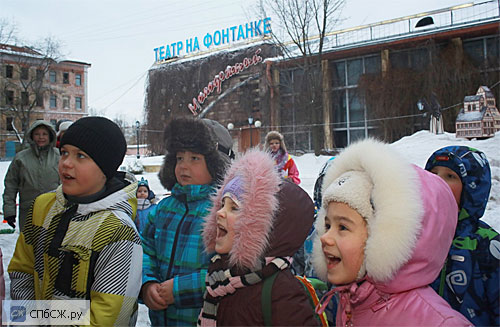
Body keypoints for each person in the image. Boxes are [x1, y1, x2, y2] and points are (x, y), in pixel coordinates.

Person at [313, 138, 472, 326]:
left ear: (386, 238)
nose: (325, 236)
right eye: (327, 224)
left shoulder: (440, 323)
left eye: (343, 227)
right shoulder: (352, 300)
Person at [8, 116, 142, 326]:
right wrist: (25, 320)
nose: (66, 163)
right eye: (64, 153)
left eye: (81, 156)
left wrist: (45, 319)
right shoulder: (42, 207)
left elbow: (108, 316)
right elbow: (21, 271)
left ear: (105, 168)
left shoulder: (117, 231)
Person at [198, 149, 318, 326]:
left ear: (263, 228)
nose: (220, 213)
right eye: (222, 204)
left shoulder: (281, 291)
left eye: (235, 208)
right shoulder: (220, 278)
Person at [141, 117, 234, 326]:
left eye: (194, 158)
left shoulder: (221, 211)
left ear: (215, 165)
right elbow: (145, 250)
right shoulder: (163, 209)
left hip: (201, 319)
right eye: (179, 158)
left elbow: (229, 269)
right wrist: (147, 284)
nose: (184, 166)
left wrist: (178, 289)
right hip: (161, 319)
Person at [425, 146, 499, 326]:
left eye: (450, 176)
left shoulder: (487, 245)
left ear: (472, 188)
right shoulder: (417, 235)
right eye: (433, 174)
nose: (438, 181)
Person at [3, 120, 60, 231]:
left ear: (50, 136)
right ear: (31, 136)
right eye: (37, 134)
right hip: (29, 212)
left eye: (44, 134)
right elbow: (11, 185)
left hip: (55, 211)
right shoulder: (21, 158)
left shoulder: (59, 156)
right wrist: (9, 211)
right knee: (29, 245)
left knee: (53, 244)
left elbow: (70, 182)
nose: (41, 137)